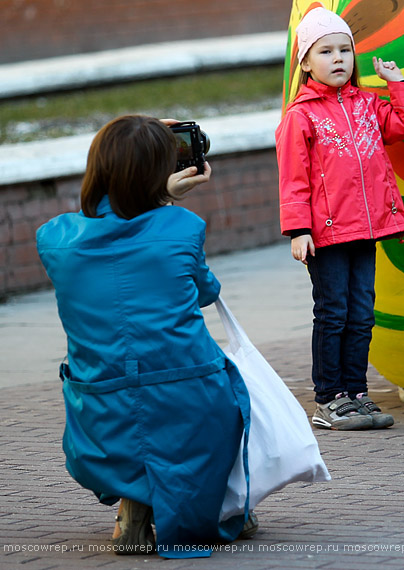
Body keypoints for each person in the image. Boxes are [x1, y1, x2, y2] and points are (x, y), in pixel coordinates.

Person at [36, 115, 256, 558]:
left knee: (140, 411)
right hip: (188, 399)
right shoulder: (182, 226)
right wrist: (164, 204)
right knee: (233, 399)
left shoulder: (54, 239)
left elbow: (111, 234)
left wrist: (142, 175)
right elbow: (206, 292)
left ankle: (133, 507)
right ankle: (222, 505)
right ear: (161, 174)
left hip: (98, 409)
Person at [276, 7, 404, 430]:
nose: (338, 58)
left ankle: (357, 393)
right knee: (333, 312)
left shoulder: (368, 105)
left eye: (345, 50)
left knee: (362, 313)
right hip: (325, 236)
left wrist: (398, 85)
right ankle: (328, 398)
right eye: (325, 51)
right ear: (305, 62)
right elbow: (294, 179)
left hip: (367, 229)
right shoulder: (300, 117)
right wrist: (298, 229)